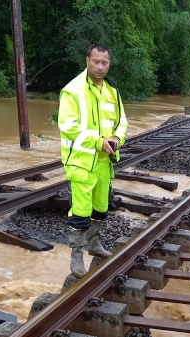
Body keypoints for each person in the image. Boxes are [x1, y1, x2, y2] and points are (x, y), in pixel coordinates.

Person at [57, 44, 128, 278]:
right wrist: (98, 141)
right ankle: (76, 256)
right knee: (80, 211)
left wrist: (117, 138)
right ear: (87, 60)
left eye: (104, 62)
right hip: (80, 163)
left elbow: (122, 123)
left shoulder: (112, 91)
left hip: (104, 162)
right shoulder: (72, 90)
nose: (100, 66)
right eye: (96, 61)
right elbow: (68, 126)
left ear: (109, 64)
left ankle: (94, 244)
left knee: (101, 207)